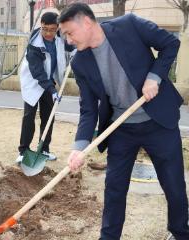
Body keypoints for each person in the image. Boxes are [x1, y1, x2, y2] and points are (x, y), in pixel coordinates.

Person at [59, 3, 189, 240]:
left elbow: (171, 43)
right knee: (114, 190)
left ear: (86, 22)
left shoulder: (129, 25)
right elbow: (88, 110)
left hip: (158, 122)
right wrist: (78, 147)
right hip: (121, 128)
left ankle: (180, 233)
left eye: (69, 33)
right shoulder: (80, 62)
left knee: (174, 185)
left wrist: (155, 76)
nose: (68, 40)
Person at [16, 12, 74, 163]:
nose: (48, 33)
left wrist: (75, 49)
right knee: (29, 117)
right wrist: (53, 91)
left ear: (57, 28)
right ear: (40, 25)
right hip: (34, 82)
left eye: (52, 29)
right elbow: (38, 72)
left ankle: (44, 149)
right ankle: (24, 150)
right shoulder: (33, 44)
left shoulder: (60, 36)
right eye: (45, 29)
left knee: (48, 117)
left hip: (50, 81)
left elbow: (71, 43)